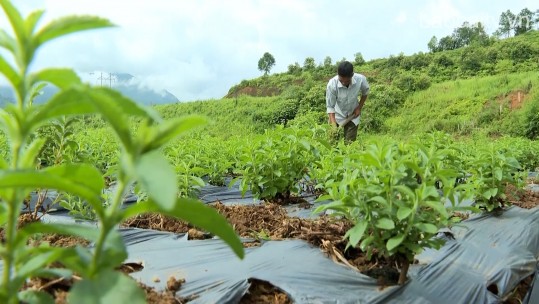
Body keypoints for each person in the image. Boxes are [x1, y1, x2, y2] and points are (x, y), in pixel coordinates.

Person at [326, 61, 370, 143]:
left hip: (353, 115)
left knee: (349, 144)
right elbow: (330, 106)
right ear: (338, 75)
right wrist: (333, 125)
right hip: (337, 115)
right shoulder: (332, 84)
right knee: (332, 142)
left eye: (346, 81)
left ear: (352, 75)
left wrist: (359, 107)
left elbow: (365, 92)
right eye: (341, 80)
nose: (343, 83)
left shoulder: (360, 79)